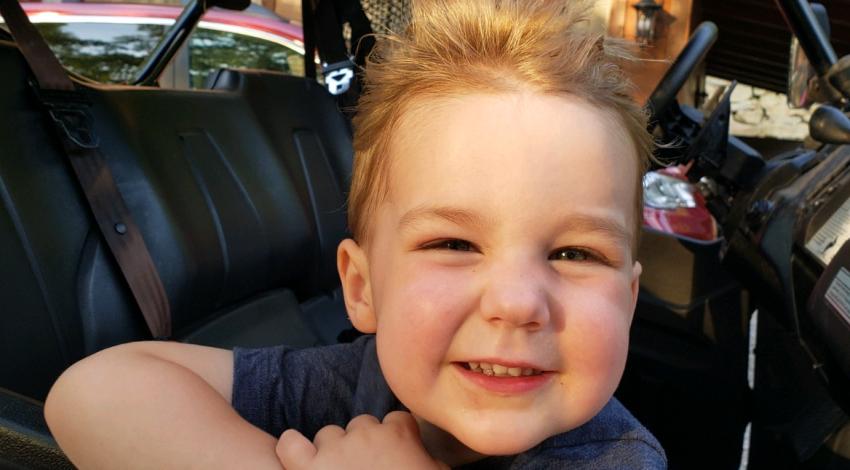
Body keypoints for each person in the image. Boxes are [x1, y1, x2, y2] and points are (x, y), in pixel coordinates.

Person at [44, 0, 665, 468]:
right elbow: (94, 391)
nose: (518, 302)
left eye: (575, 253)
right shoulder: (356, 380)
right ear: (363, 289)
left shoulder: (619, 459)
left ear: (628, 301)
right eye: (454, 244)